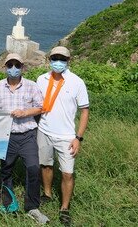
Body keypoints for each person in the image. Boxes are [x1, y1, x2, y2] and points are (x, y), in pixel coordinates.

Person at [0, 53, 49, 224]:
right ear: (5, 67)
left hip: (28, 134)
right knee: (6, 169)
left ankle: (32, 207)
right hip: (6, 136)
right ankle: (8, 202)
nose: (13, 68)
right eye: (10, 65)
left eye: (16, 65)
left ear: (23, 67)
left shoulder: (31, 86)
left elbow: (40, 107)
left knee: (33, 168)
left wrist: (24, 112)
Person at [36, 46, 89, 226]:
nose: (58, 62)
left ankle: (64, 208)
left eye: (62, 58)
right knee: (45, 165)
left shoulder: (76, 82)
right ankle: (48, 194)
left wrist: (78, 137)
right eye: (55, 58)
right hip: (43, 131)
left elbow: (84, 111)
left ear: (69, 60)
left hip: (66, 136)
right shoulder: (41, 79)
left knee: (67, 173)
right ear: (49, 59)